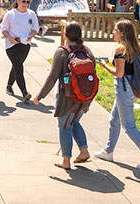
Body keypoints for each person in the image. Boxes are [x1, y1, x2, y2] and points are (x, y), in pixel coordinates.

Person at [94, 20, 140, 170]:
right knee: (114, 119)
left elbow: (119, 73)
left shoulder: (120, 49)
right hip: (132, 88)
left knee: (129, 126)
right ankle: (108, 151)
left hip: (124, 89)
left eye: (115, 30)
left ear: (122, 33)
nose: (113, 32)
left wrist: (104, 65)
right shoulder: (134, 48)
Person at [34, 21, 93, 170]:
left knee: (65, 126)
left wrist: (39, 96)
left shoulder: (62, 52)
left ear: (65, 35)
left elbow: (52, 77)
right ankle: (84, 151)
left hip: (67, 97)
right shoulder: (87, 51)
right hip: (85, 96)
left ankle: (66, 160)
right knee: (74, 122)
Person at [1, 0, 38, 102]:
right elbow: (4, 29)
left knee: (17, 65)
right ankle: (24, 92)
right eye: (23, 1)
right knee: (19, 67)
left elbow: (35, 28)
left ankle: (9, 85)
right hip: (12, 44)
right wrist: (9, 37)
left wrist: (31, 36)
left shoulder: (31, 14)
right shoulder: (10, 14)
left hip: (25, 44)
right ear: (17, 1)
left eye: (27, 2)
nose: (25, 4)